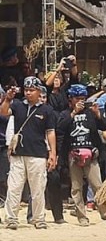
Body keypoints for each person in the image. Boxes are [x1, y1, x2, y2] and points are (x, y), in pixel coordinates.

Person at [2, 77, 58, 229]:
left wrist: (53, 153)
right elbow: (4, 112)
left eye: (32, 90)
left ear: (39, 91)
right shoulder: (18, 105)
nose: (28, 93)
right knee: (14, 187)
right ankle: (11, 218)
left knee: (38, 188)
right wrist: (7, 99)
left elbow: (51, 132)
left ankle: (38, 218)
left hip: (38, 153)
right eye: (26, 90)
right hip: (18, 153)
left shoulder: (47, 110)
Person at [61, 84, 106, 226]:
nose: (80, 101)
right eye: (77, 98)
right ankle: (81, 216)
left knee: (97, 184)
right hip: (73, 154)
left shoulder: (90, 113)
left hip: (91, 153)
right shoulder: (65, 113)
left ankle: (104, 212)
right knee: (76, 187)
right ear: (71, 98)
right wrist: (74, 112)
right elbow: (60, 128)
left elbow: (105, 126)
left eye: (83, 98)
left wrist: (98, 115)